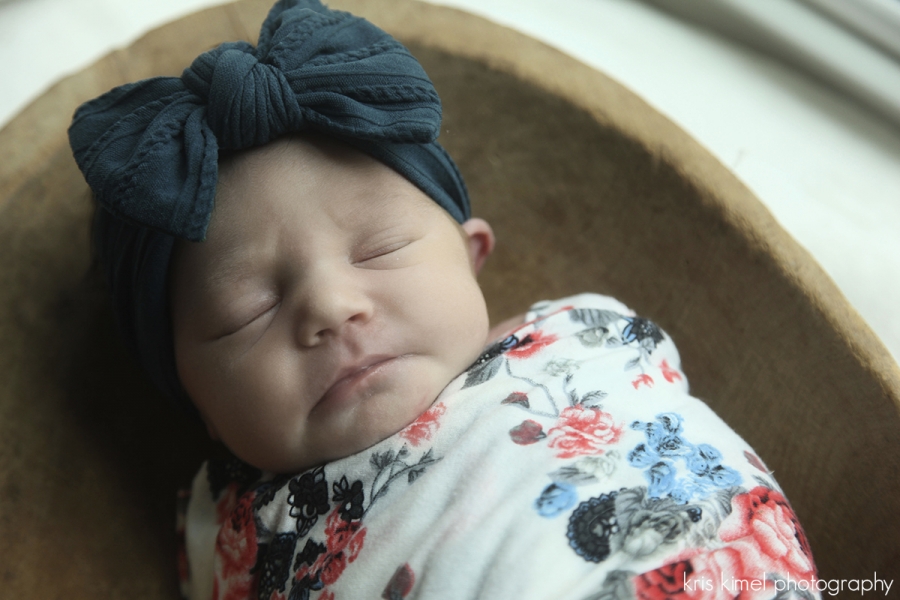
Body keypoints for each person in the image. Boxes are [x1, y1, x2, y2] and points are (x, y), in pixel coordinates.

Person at [68, 1, 820, 599]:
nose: (331, 305)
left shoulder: (573, 337)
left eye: (378, 249)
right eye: (248, 309)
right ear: (194, 398)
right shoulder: (226, 532)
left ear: (472, 256)